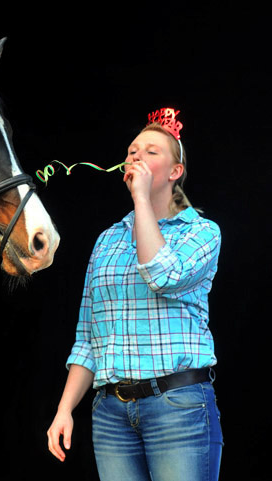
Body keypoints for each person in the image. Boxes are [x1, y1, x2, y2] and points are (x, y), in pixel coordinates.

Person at [47, 108, 223, 481]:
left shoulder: (202, 233)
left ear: (175, 173)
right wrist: (64, 410)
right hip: (111, 414)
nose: (136, 156)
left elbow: (164, 276)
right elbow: (88, 338)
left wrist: (141, 199)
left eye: (151, 151)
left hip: (178, 407)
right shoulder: (108, 240)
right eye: (132, 150)